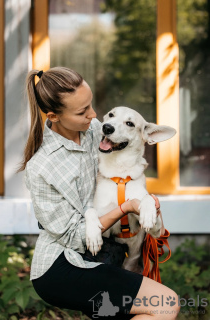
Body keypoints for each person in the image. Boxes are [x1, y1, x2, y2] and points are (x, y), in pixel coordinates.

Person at [18, 67, 180, 320]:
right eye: (83, 111)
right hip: (62, 264)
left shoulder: (96, 130)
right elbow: (72, 237)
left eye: (91, 105)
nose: (94, 116)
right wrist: (125, 208)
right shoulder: (41, 166)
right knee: (165, 303)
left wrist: (146, 203)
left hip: (108, 252)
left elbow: (127, 163)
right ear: (54, 116)